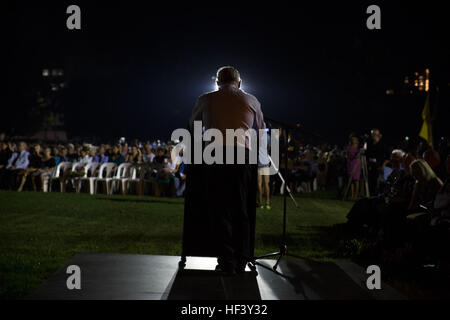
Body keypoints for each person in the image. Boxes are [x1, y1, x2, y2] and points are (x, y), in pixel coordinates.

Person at [188, 66, 265, 275]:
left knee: (220, 209)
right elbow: (261, 129)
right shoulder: (252, 100)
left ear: (217, 82)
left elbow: (192, 126)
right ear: (239, 83)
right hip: (243, 156)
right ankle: (242, 258)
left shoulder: (206, 98)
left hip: (216, 154)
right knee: (242, 208)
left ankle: (227, 261)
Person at [366, 129, 389, 196]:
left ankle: (375, 197)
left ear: (379, 135)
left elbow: (388, 157)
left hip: (378, 167)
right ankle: (370, 196)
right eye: (373, 134)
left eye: (376, 134)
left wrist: (383, 165)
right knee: (370, 182)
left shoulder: (383, 144)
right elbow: (367, 154)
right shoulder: (369, 143)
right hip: (370, 166)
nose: (374, 136)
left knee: (376, 184)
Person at [257, 129, 271, 210]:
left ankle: (260, 202)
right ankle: (267, 202)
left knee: (259, 184)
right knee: (266, 184)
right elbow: (269, 148)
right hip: (265, 162)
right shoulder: (268, 136)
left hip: (259, 163)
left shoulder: (255, 136)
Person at [346, 134, 361, 200]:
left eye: (355, 139)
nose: (354, 140)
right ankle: (352, 195)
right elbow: (349, 155)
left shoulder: (358, 147)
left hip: (357, 164)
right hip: (350, 164)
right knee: (351, 180)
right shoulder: (349, 147)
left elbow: (359, 156)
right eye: (353, 139)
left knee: (356, 180)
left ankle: (355, 195)